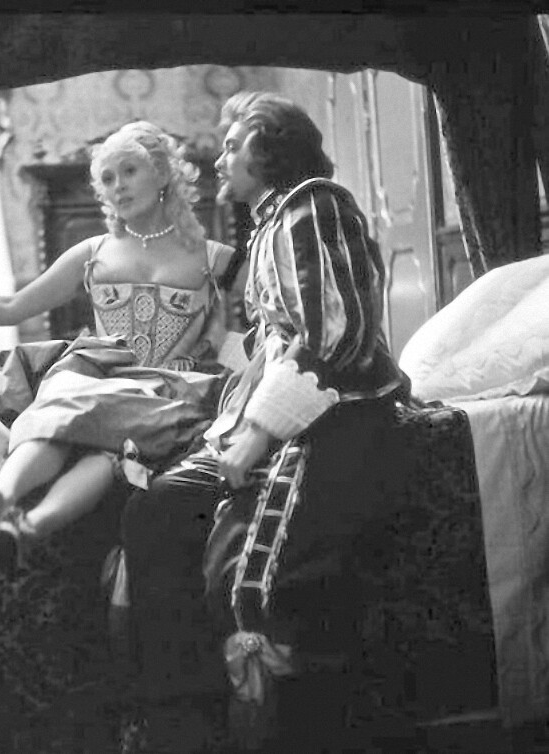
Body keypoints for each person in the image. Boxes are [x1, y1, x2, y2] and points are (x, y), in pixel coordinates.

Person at [118, 92, 410, 751]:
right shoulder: (276, 219)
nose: (220, 158)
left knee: (248, 569)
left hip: (335, 418)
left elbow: (337, 333)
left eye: (233, 145)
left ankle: (202, 719)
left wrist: (255, 434)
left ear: (272, 149)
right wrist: (205, 368)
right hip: (290, 411)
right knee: (154, 508)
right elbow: (273, 340)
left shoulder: (315, 205)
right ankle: (182, 715)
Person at [0, 120, 236, 579]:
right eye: (108, 178)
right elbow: (12, 306)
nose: (118, 186)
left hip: (169, 390)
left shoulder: (215, 258)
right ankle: (0, 509)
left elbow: (269, 323)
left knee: (95, 433)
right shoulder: (94, 252)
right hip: (106, 376)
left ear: (163, 174)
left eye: (130, 171)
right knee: (78, 424)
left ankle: (11, 523)